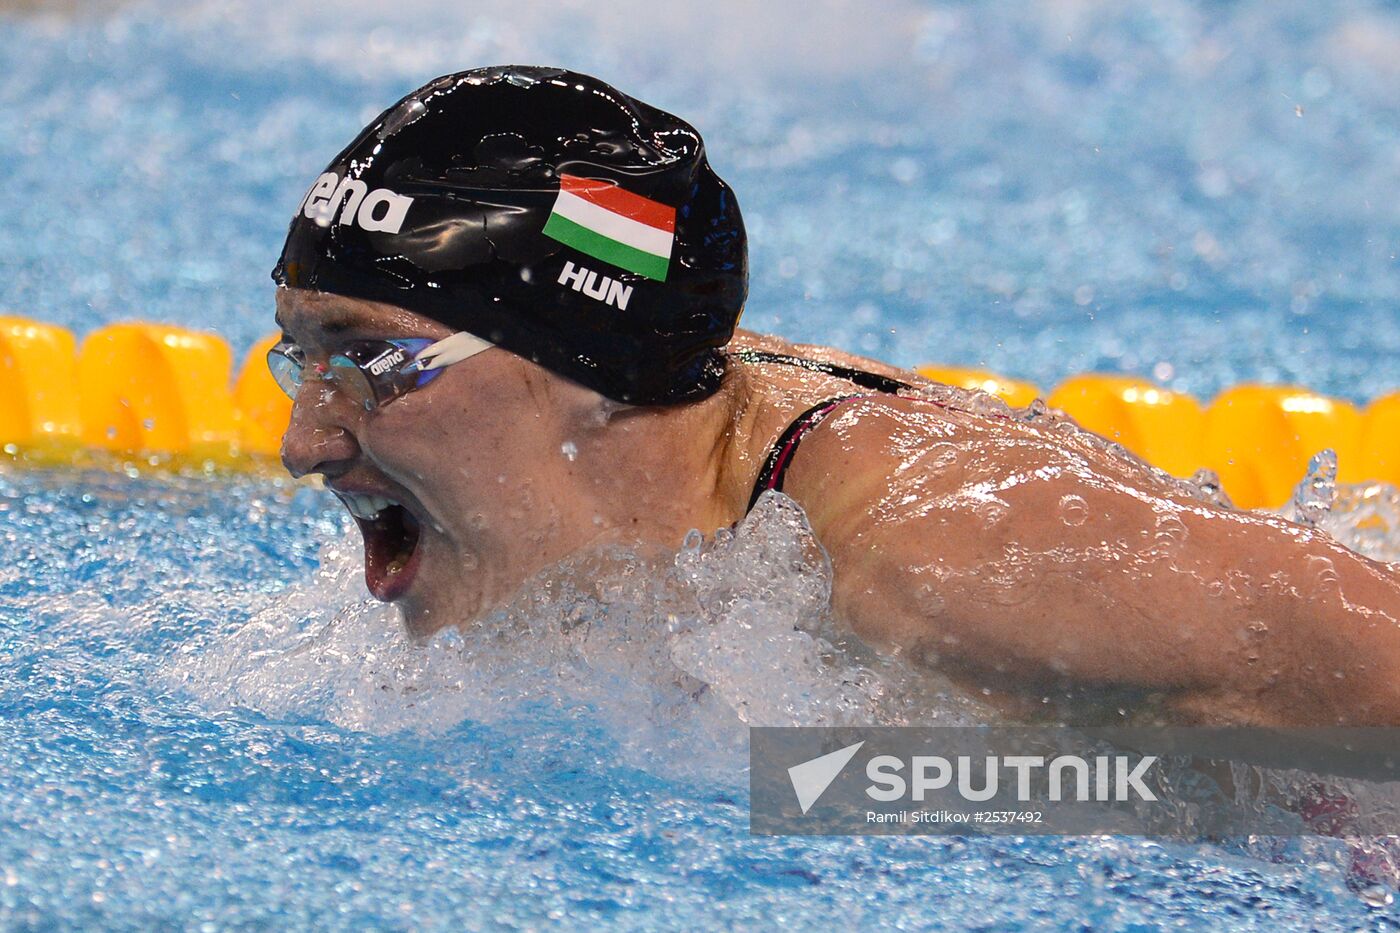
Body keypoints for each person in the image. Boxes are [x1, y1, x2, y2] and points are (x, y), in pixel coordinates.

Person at [271, 65, 1400, 727]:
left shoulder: (948, 561)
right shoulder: (661, 455)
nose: (303, 442)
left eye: (369, 362)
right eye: (299, 355)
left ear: (590, 376)